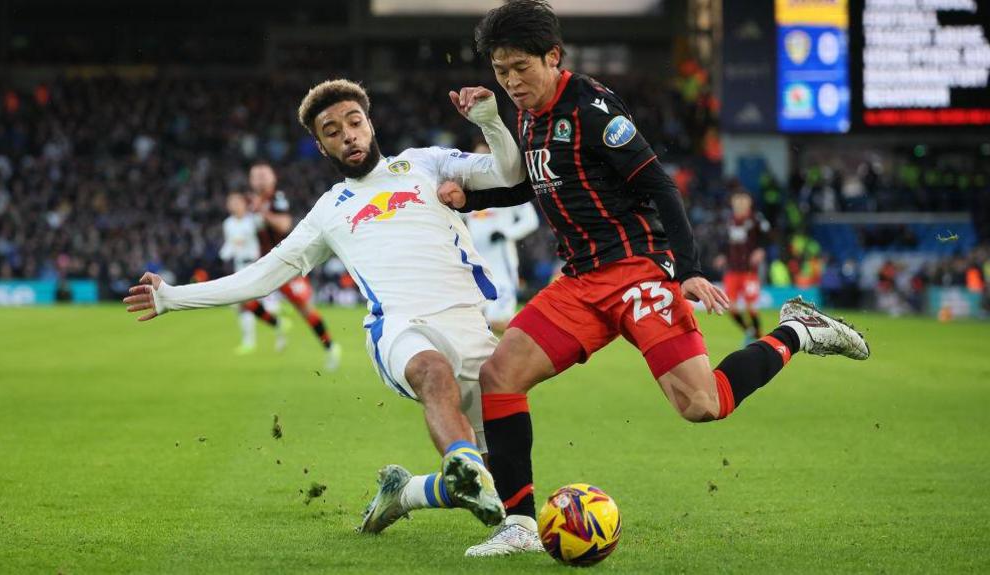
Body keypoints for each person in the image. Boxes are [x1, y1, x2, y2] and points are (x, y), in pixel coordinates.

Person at [437, 0, 870, 556]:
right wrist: (472, 198)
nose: (512, 81)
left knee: (702, 404)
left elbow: (661, 185)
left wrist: (685, 271)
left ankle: (797, 332)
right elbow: (537, 182)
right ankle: (519, 524)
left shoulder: (591, 109)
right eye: (501, 72)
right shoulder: (526, 114)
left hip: (637, 270)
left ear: (553, 56)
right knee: (499, 377)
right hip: (581, 281)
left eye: (522, 67)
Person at [123, 79, 527, 535]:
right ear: (321, 146)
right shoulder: (328, 211)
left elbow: (509, 174)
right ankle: (460, 461)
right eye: (332, 131)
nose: (348, 135)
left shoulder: (425, 163)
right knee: (432, 372)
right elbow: (263, 274)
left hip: (467, 324)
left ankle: (405, 492)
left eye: (354, 122)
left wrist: (490, 120)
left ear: (370, 125)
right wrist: (174, 296)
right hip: (398, 328)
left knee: (488, 474)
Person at [246, 162, 342, 371]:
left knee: (304, 309)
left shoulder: (276, 199)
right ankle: (278, 324)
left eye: (264, 174)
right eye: (257, 175)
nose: (261, 178)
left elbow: (284, 225)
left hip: (285, 263)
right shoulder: (251, 202)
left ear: (273, 178)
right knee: (243, 299)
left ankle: (331, 347)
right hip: (263, 263)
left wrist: (263, 213)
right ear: (251, 180)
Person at [462, 144, 540, 331]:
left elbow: (531, 220)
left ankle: (529, 332)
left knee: (500, 321)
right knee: (478, 321)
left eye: (484, 156)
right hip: (475, 261)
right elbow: (454, 220)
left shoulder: (507, 189)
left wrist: (507, 233)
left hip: (501, 261)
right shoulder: (466, 192)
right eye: (476, 156)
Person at [219, 191, 288, 354]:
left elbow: (269, 233)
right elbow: (230, 245)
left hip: (255, 265)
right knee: (243, 305)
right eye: (231, 203)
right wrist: (223, 254)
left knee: (252, 303)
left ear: (244, 203)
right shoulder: (227, 223)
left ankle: (277, 326)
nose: (233, 205)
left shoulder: (253, 220)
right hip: (238, 266)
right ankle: (254, 339)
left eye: (236, 202)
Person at [714, 189, 769, 344]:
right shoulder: (729, 222)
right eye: (737, 204)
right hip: (732, 270)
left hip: (749, 271)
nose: (739, 207)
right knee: (730, 308)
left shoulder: (756, 220)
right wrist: (722, 255)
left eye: (742, 203)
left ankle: (759, 336)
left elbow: (766, 237)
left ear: (748, 205)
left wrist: (760, 250)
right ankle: (749, 331)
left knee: (751, 307)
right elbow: (724, 241)